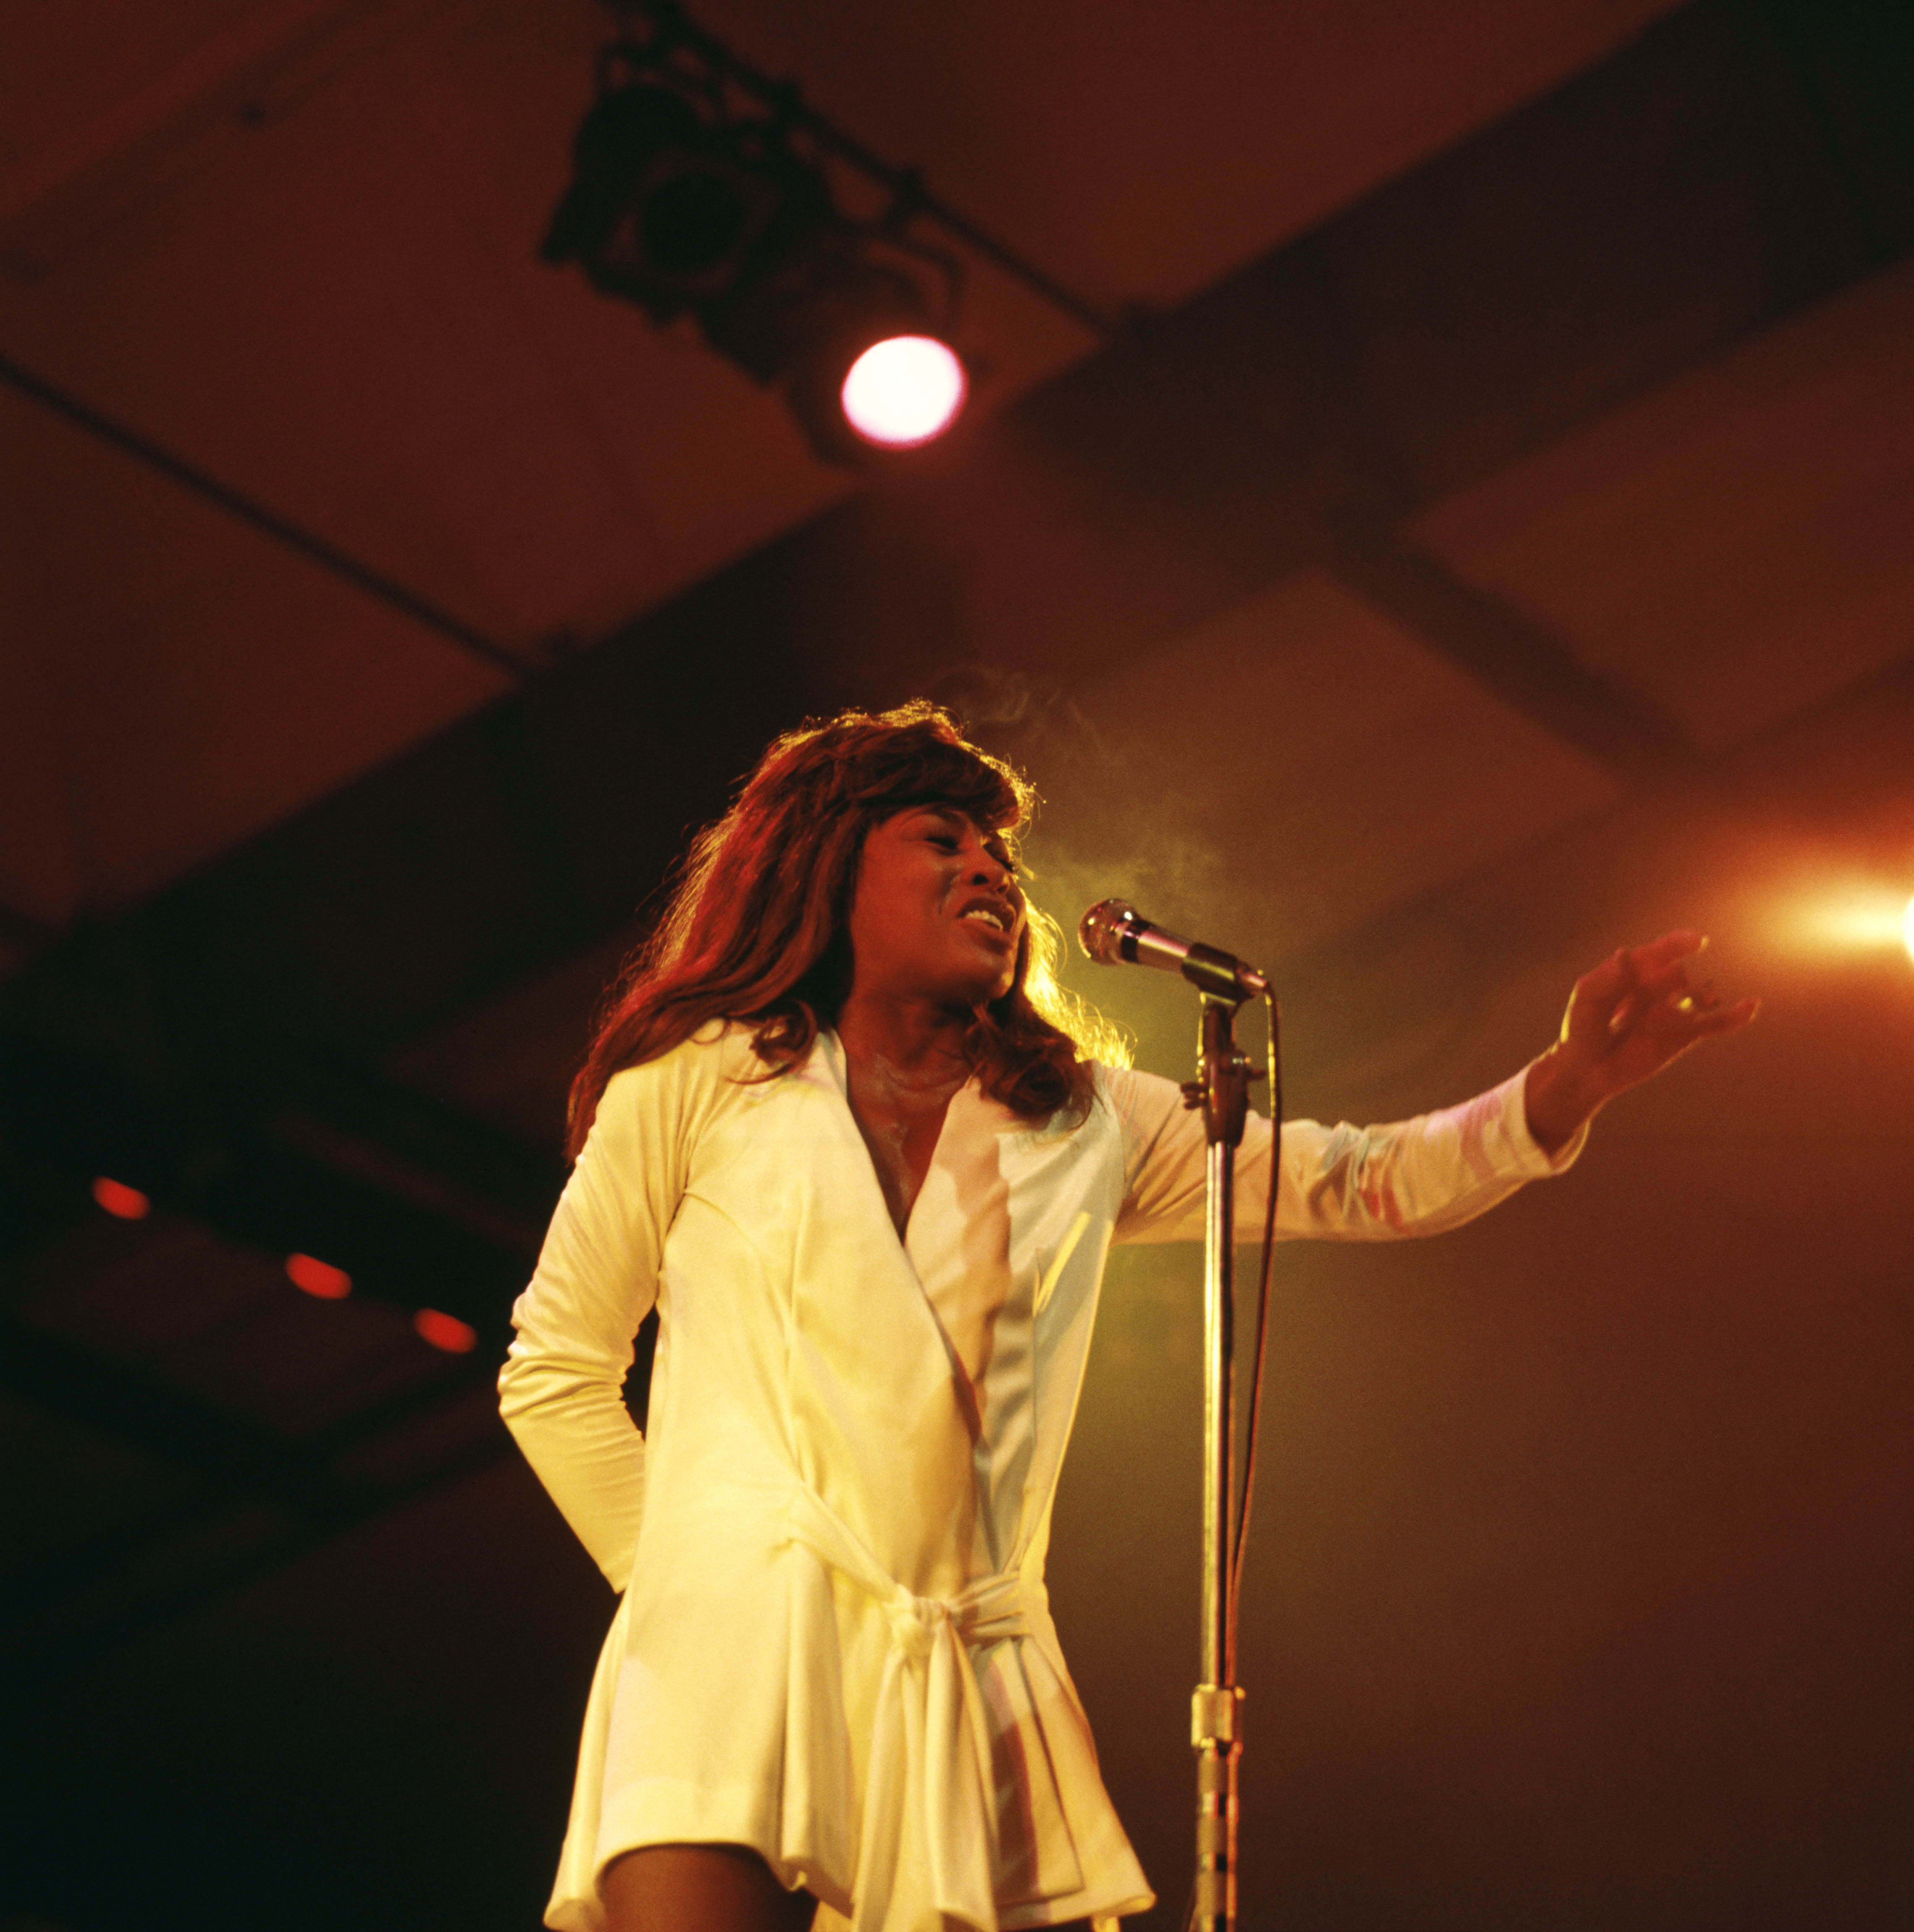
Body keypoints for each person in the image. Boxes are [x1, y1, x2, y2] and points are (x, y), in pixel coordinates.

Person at [499, 702, 1755, 1932]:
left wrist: (1569, 1083)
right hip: (727, 1657)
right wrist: (680, 1579)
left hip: (976, 1681)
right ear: (825, 864)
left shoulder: (1082, 1116)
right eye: (943, 838)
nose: (990, 866)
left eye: (1001, 852)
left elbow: (1363, 1179)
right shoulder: (701, 1082)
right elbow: (553, 1369)